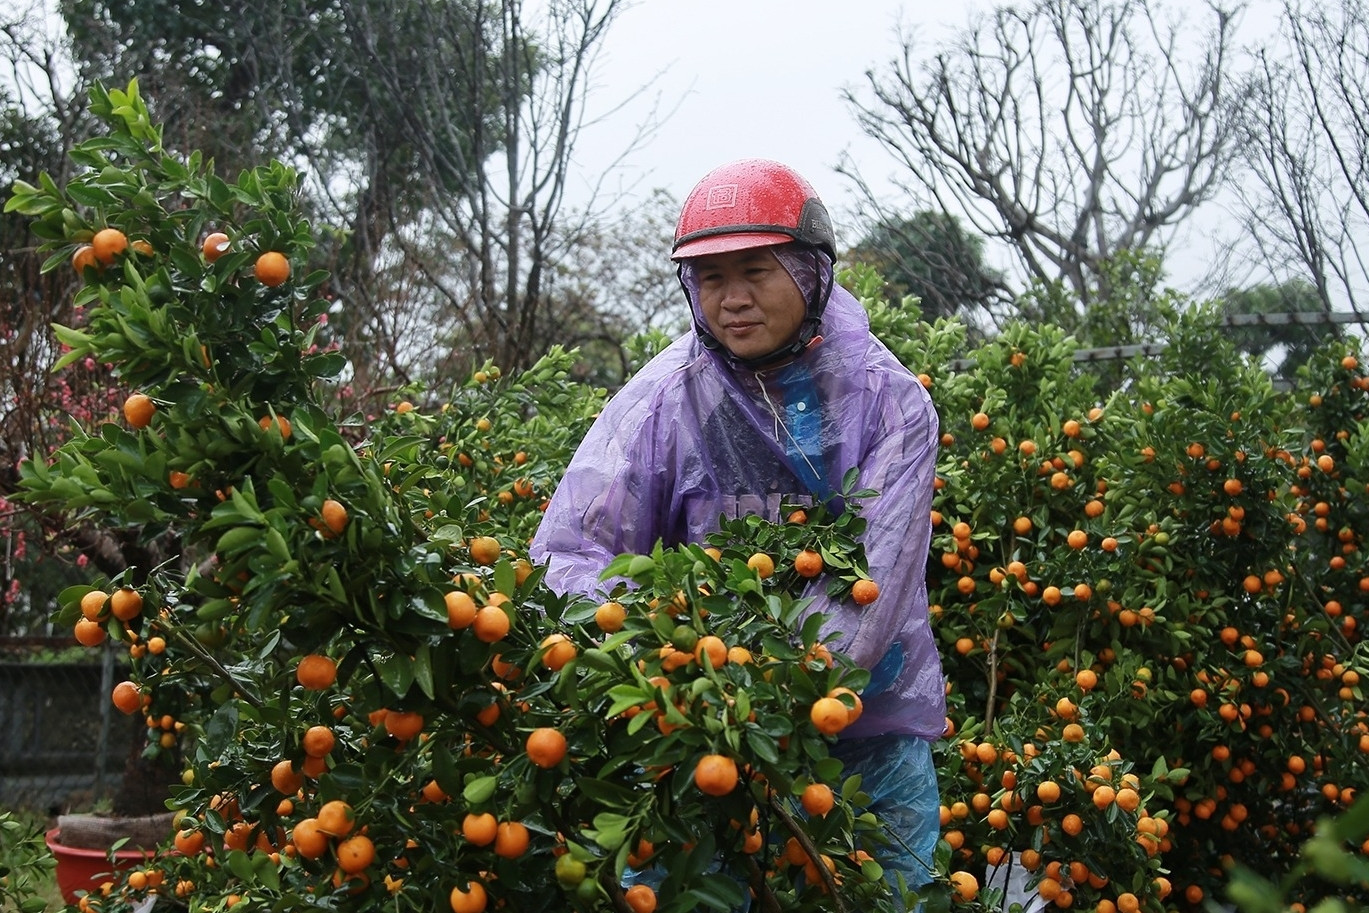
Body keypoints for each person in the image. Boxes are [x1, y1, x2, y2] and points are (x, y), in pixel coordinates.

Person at [529, 158, 944, 905]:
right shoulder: (662, 401)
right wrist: (666, 652)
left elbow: (870, 590)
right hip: (693, 729)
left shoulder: (889, 404)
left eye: (755, 270)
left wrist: (767, 686)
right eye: (711, 278)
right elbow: (569, 551)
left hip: (861, 726)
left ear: (810, 272)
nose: (733, 299)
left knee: (888, 894)